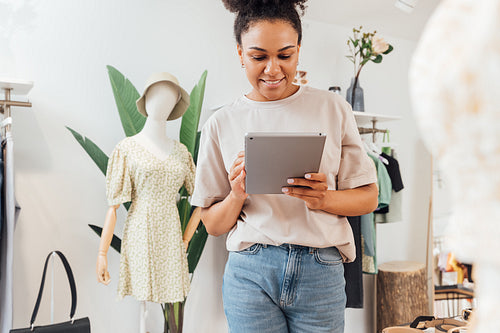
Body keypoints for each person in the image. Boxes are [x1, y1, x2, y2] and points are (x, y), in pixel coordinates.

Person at [190, 0, 378, 332]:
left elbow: (368, 199)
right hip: (251, 273)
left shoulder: (333, 108)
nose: (273, 69)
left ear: (299, 50)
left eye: (285, 55)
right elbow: (213, 225)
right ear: (240, 53)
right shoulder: (221, 122)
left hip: (321, 272)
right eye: (258, 57)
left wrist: (323, 199)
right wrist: (235, 195)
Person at [96, 72, 195, 333]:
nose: (161, 101)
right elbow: (113, 207)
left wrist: (185, 240)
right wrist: (102, 253)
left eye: (169, 97)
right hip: (141, 230)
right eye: (156, 94)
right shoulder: (127, 149)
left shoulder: (182, 153)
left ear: (175, 104)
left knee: (168, 297)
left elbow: (203, 200)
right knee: (144, 308)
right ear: (146, 99)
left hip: (171, 234)